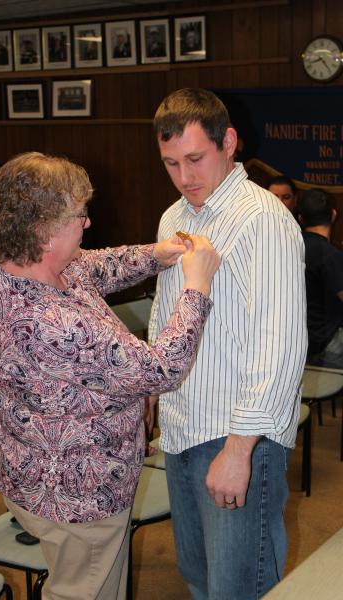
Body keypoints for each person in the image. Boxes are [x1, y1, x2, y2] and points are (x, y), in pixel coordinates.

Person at [0, 151, 220, 600]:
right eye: (78, 215)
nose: (87, 223)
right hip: (78, 500)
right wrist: (197, 286)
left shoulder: (17, 268)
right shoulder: (53, 320)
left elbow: (93, 267)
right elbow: (160, 369)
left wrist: (156, 255)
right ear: (42, 230)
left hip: (39, 475)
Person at [147, 88, 307, 599]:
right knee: (198, 577)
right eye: (171, 163)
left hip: (238, 435)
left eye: (195, 159)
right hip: (182, 427)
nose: (184, 177)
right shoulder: (174, 217)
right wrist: (154, 392)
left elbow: (279, 347)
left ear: (229, 142)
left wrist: (240, 450)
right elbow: (167, 315)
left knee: (240, 587)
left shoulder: (263, 219)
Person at [298, 187, 343, 369]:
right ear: (333, 215)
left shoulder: (288, 249)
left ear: (300, 219)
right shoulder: (330, 255)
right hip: (324, 344)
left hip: (296, 342)